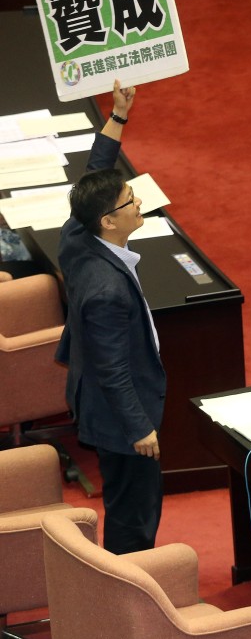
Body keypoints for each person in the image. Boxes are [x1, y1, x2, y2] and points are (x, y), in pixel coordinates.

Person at [56, 80, 166, 554]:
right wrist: (139, 427)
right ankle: (131, 593)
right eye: (129, 201)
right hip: (118, 417)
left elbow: (94, 173)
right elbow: (113, 370)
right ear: (108, 222)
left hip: (100, 401)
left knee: (134, 502)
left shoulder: (77, 236)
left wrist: (117, 116)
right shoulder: (104, 292)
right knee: (134, 511)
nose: (139, 200)